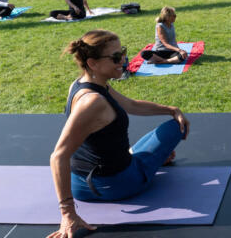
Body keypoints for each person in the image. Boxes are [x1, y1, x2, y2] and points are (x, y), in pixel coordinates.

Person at [48, 29, 189, 238]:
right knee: (174, 128)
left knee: (152, 138)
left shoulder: (83, 85)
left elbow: (131, 105)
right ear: (93, 63)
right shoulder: (93, 102)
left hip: (81, 188)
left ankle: (145, 159)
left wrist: (170, 109)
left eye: (122, 52)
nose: (123, 60)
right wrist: (67, 213)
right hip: (118, 185)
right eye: (115, 57)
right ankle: (152, 163)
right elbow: (58, 156)